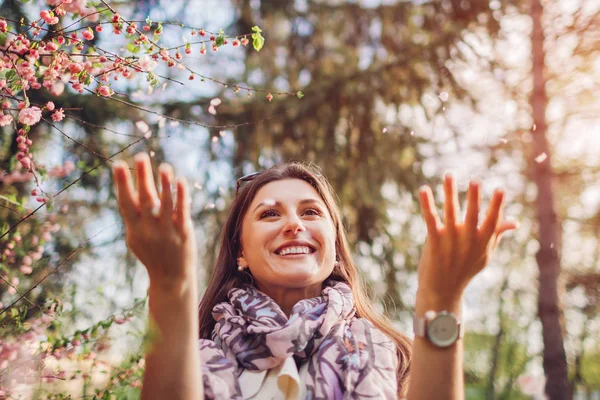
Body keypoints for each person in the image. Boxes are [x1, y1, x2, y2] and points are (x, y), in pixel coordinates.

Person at [112, 152, 518, 399]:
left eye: (310, 212)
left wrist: (442, 300)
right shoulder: (191, 360)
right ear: (241, 253)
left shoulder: (398, 358)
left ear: (335, 247)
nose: (293, 224)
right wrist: (170, 287)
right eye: (270, 214)